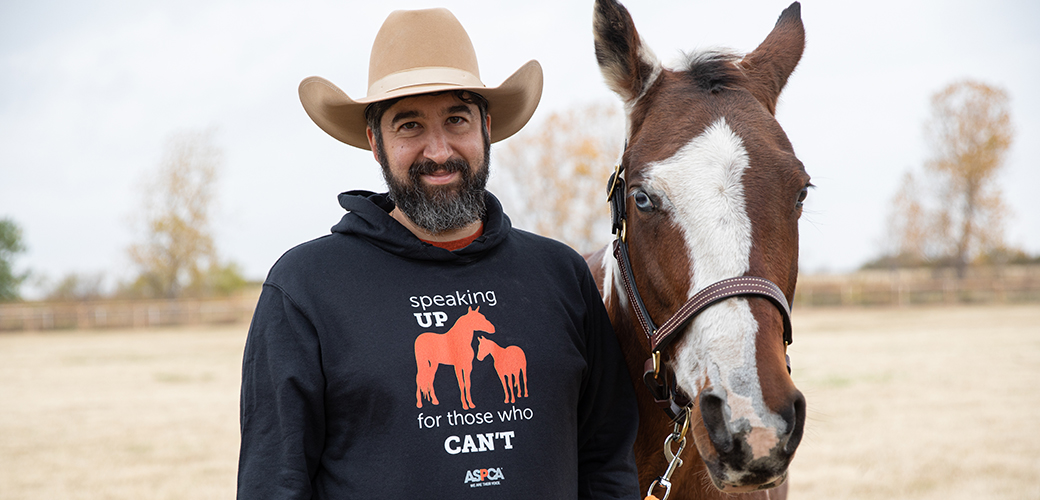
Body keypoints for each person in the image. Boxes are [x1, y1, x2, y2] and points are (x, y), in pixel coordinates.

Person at [237, 7, 640, 499]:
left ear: (486, 128)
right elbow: (273, 483)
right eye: (409, 126)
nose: (439, 150)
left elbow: (607, 464)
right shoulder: (305, 287)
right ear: (375, 142)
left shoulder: (561, 277)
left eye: (456, 119)